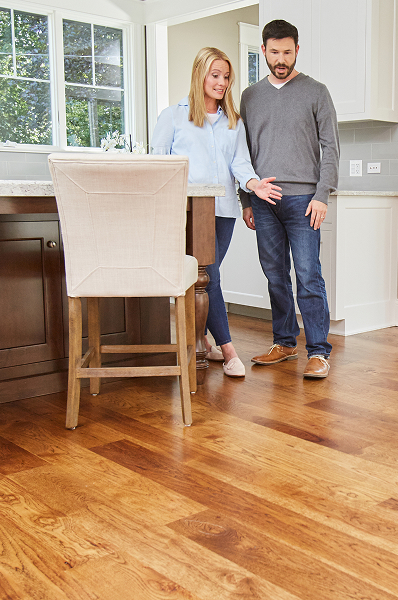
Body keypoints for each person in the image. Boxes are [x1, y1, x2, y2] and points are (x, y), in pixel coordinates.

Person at [151, 47, 281, 378]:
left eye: (226, 77)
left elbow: (240, 163)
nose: (222, 82)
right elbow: (159, 164)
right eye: (215, 75)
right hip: (188, 211)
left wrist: (254, 185)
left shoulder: (233, 122)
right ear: (200, 75)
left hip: (222, 211)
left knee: (203, 279)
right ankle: (229, 350)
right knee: (210, 276)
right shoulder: (173, 116)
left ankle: (202, 342)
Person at [239, 19, 339, 379]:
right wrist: (246, 200)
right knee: (275, 276)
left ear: (297, 50)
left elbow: (331, 148)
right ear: (263, 51)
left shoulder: (316, 92)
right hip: (263, 201)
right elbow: (243, 152)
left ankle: (318, 351)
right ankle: (284, 342)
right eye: (274, 52)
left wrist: (322, 194)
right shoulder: (250, 96)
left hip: (304, 200)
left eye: (287, 52)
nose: (280, 59)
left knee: (309, 275)